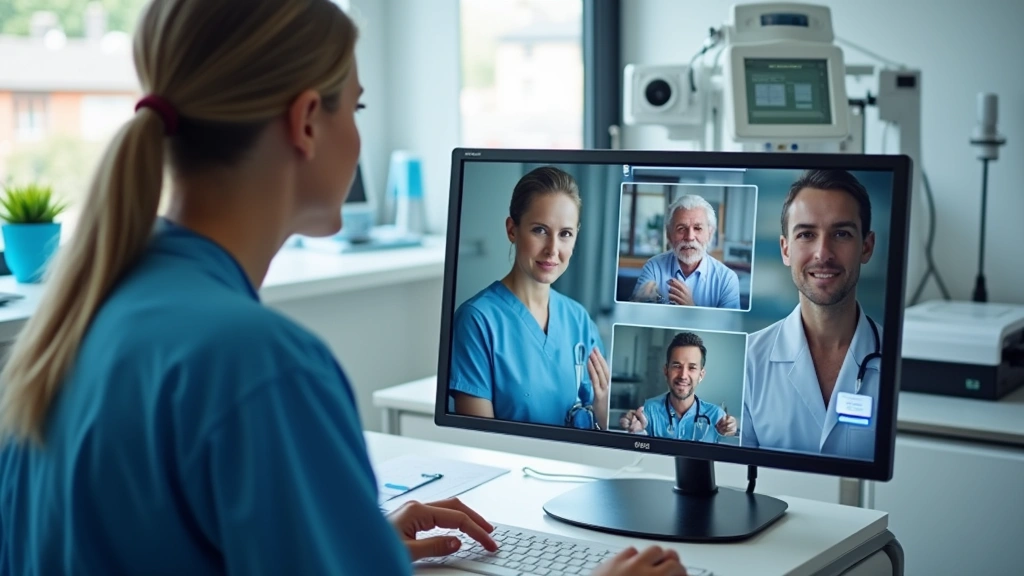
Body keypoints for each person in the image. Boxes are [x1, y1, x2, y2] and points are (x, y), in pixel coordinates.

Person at [0, 2, 686, 575]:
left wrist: (353, 542)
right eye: (354, 108)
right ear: (304, 123)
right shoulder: (259, 362)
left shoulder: (77, 319)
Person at [449, 167, 612, 431]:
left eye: (565, 234)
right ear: (512, 230)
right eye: (539, 230)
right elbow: (479, 442)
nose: (552, 250)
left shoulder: (579, 319)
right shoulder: (477, 321)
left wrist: (604, 409)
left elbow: (599, 426)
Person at [742, 169, 881, 461]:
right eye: (806, 234)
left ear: (866, 247)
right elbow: (738, 481)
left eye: (841, 234)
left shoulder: (901, 362)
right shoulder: (748, 363)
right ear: (785, 249)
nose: (823, 253)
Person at [619, 332, 738, 442]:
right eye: (677, 366)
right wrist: (634, 430)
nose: (683, 375)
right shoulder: (649, 410)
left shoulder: (717, 416)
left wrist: (731, 432)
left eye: (692, 367)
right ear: (666, 371)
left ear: (701, 375)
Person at [630, 194, 741, 309]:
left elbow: (728, 326)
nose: (689, 237)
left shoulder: (727, 279)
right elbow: (637, 314)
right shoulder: (653, 267)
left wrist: (692, 309)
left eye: (698, 228)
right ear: (669, 235)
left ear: (710, 234)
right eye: (681, 229)